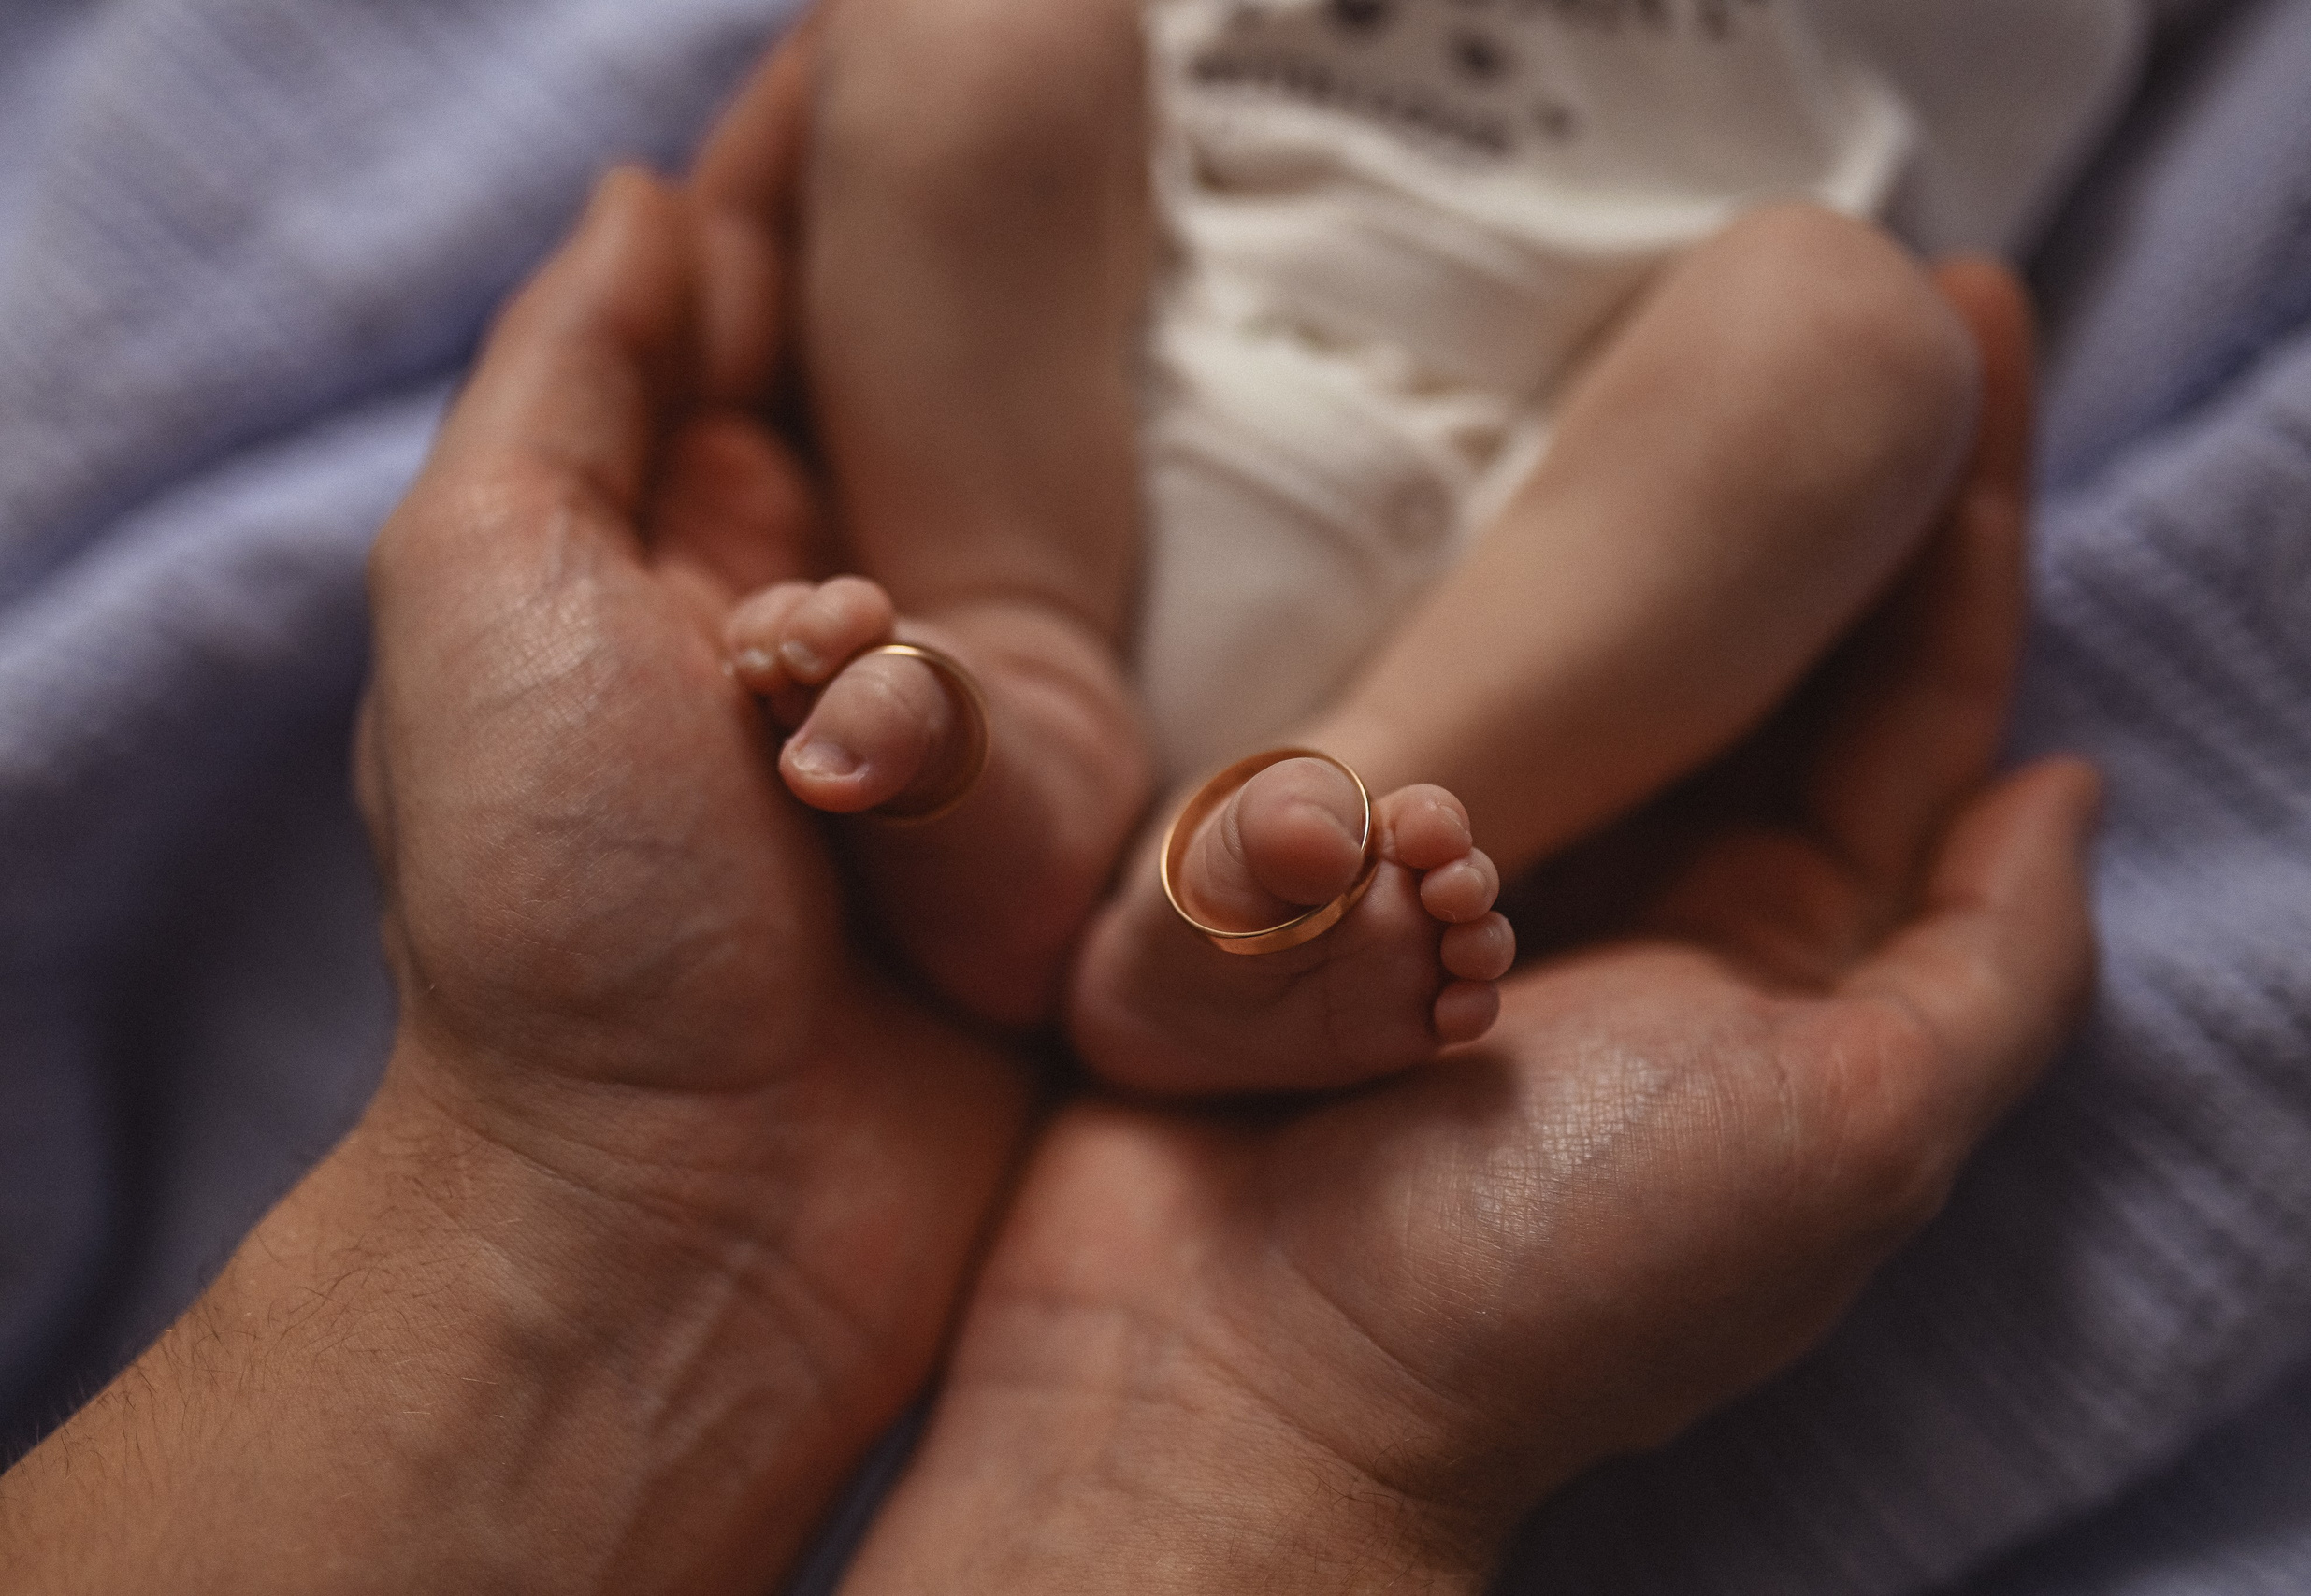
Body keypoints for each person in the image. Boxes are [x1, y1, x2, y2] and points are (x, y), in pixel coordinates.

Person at [0, 22, 2099, 1589]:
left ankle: (1287, 840)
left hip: (1526, 485)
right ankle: (1048, 731)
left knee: (1854, 345)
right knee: (964, 38)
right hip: (1102, 394)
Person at [715, 0, 2054, 1099]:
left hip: (1569, 447)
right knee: (974, 30)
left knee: (1860, 336)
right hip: (1141, 277)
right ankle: (1015, 664)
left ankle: (1318, 843)